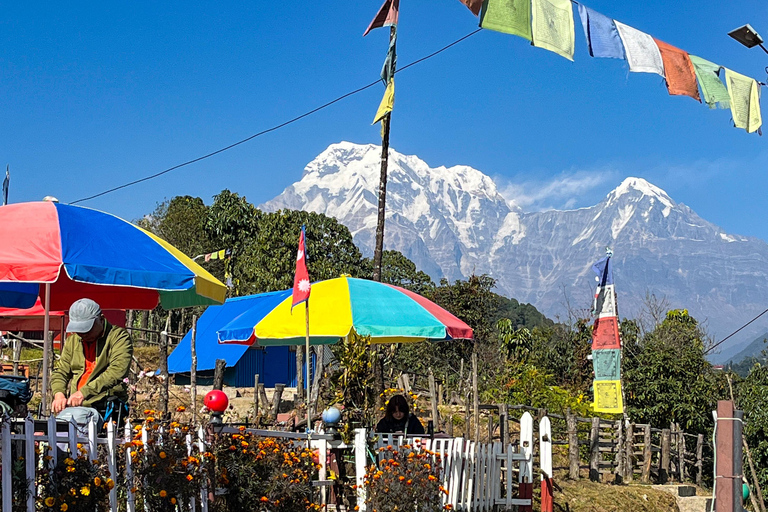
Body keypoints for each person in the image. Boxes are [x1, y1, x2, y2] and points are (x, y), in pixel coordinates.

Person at [50, 298, 133, 422]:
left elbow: (117, 371)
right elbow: (61, 371)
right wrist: (59, 393)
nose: (82, 333)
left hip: (105, 407)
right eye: (78, 329)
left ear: (101, 319)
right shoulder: (73, 341)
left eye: (87, 328)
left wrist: (83, 393)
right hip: (75, 408)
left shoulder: (119, 337)